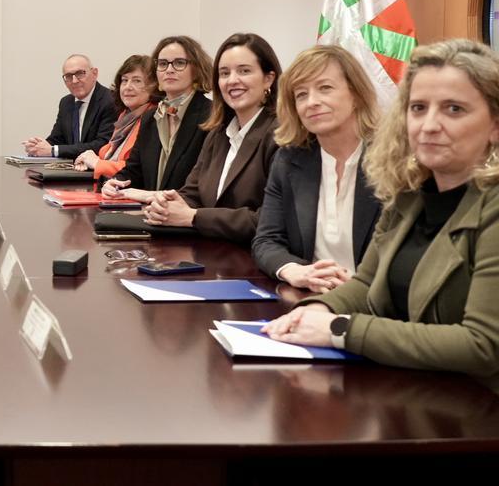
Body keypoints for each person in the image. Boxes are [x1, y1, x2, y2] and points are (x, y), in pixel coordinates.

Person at [263, 39, 499, 391]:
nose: (429, 125)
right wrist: (317, 310)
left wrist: (340, 330)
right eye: (418, 108)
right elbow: (366, 283)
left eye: (454, 109)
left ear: (495, 125)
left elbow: (482, 346)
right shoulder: (408, 195)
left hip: (475, 412)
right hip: (409, 394)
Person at [252, 46, 383, 291]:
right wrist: (296, 271)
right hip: (309, 297)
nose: (312, 102)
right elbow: (266, 241)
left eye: (325, 88)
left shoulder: (391, 160)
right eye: (301, 95)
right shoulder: (289, 160)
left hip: (374, 305)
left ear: (355, 94)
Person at [137, 32, 282, 245]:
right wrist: (166, 203)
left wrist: (194, 217)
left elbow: (270, 221)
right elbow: (193, 192)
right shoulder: (218, 133)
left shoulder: (280, 135)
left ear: (268, 78)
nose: (232, 80)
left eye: (244, 71)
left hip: (251, 262)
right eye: (224, 73)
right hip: (209, 253)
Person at [101, 35, 214, 200]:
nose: (169, 69)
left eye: (179, 63)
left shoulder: (211, 116)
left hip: (187, 218)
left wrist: (152, 196)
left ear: (196, 70)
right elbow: (134, 170)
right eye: (162, 64)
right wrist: (114, 183)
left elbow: (204, 186)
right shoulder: (150, 117)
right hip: (152, 216)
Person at [74, 55, 158, 177]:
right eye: (124, 80)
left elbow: (138, 170)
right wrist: (88, 158)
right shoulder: (126, 116)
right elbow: (109, 155)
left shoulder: (153, 119)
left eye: (137, 81)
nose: (128, 87)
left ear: (154, 86)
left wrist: (97, 163)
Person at [22, 54, 118, 160]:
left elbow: (103, 145)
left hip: (97, 171)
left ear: (94, 73)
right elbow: (57, 140)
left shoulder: (110, 100)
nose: (74, 81)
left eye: (80, 73)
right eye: (68, 76)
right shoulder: (66, 102)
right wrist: (38, 147)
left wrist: (53, 150)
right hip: (70, 169)